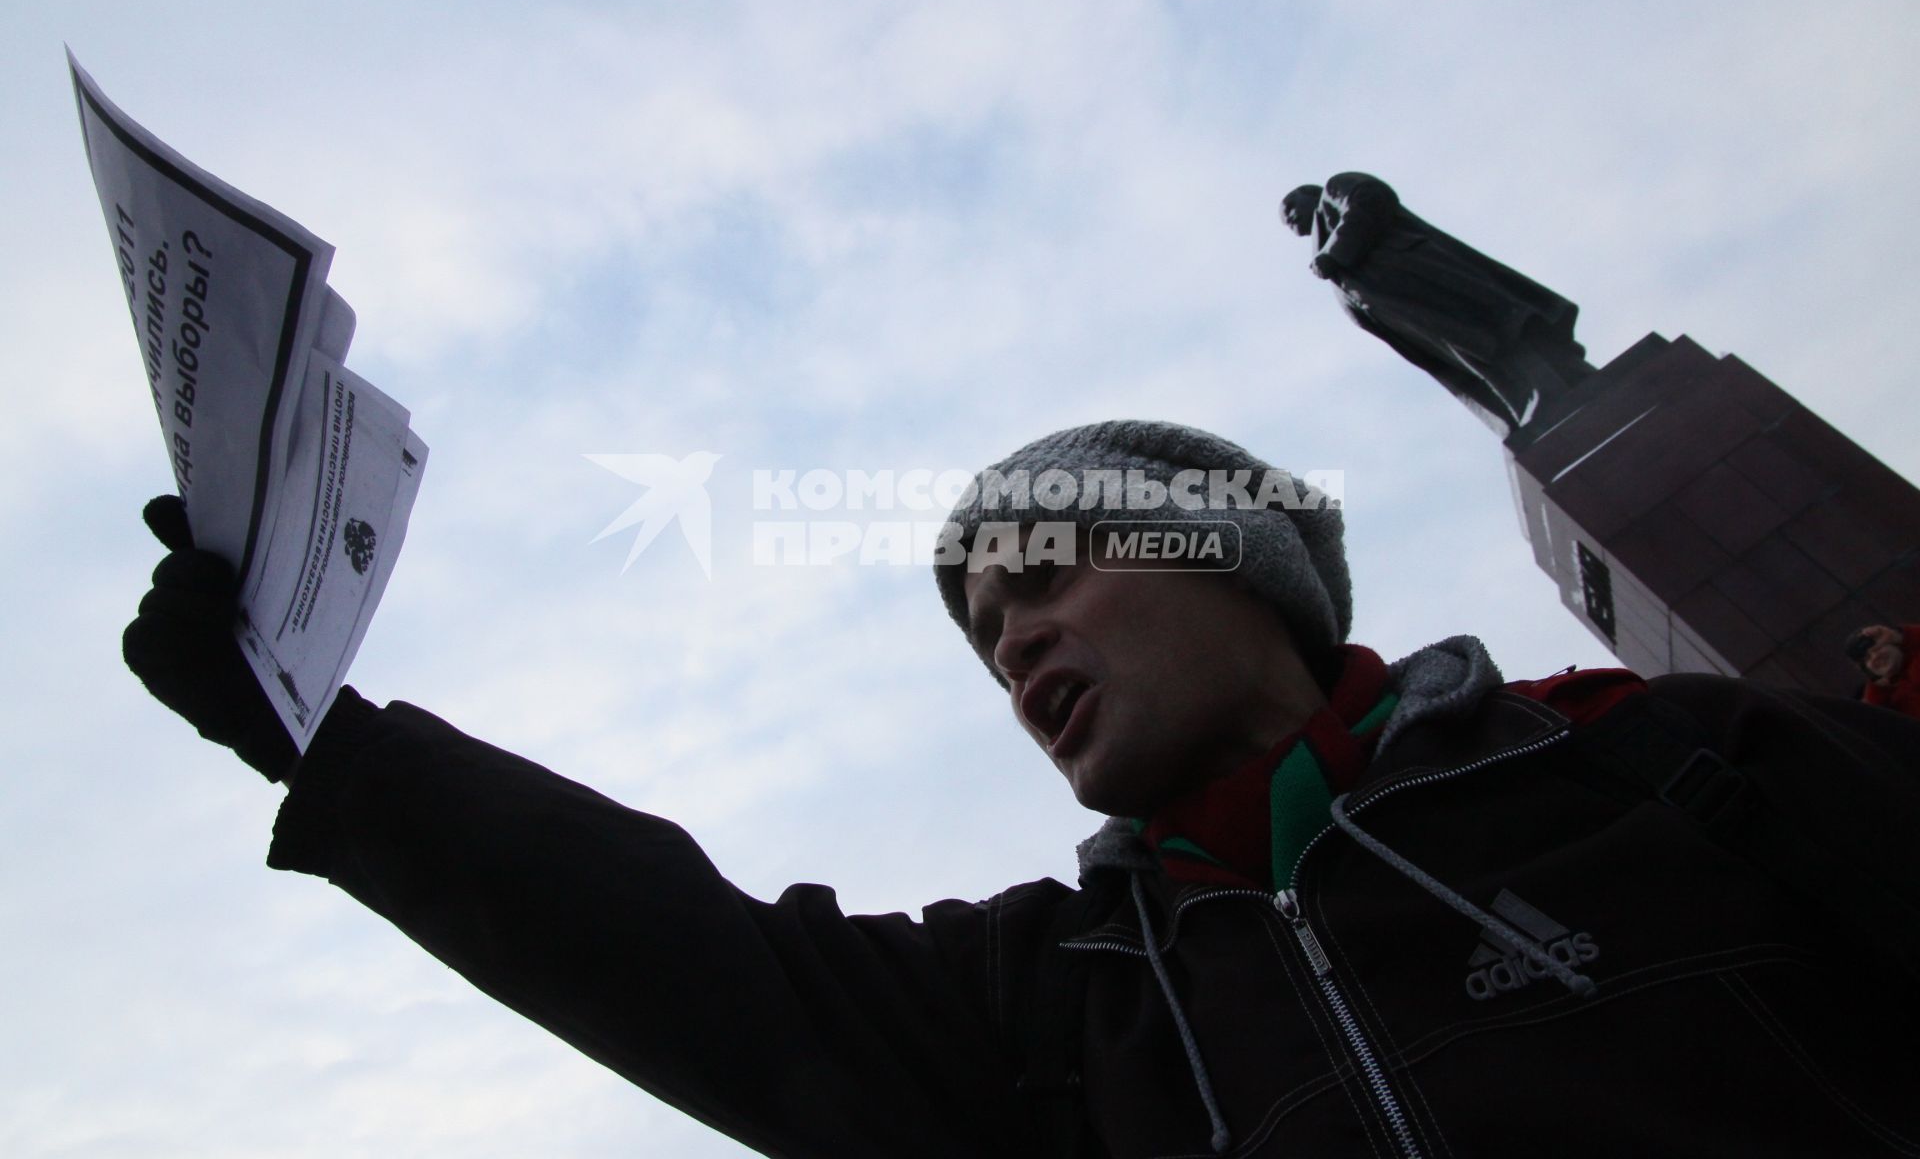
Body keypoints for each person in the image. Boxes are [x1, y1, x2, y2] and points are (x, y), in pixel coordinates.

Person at [126, 420, 1920, 1157]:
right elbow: (709, 974)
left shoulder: (1656, 767)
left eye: (1047, 577)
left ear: (1238, 570)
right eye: (986, 632)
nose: (1015, 645)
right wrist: (323, 738)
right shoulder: (1061, 1003)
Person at [1281, 174, 1595, 435]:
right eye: (1287, 221)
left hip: (1427, 278)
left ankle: (1548, 388)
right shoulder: (1320, 245)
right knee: (1473, 357)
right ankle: (1532, 399)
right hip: (1410, 315)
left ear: (1311, 193)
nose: (1291, 218)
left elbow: (1371, 197)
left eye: (1291, 207)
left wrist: (1333, 254)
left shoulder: (1334, 191)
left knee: (1492, 334)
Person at [1850, 623, 1920, 718]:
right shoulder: (1883, 696)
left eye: (1876, 649)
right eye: (1867, 658)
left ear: (1893, 642)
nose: (1875, 657)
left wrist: (1902, 635)